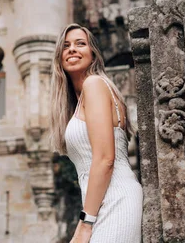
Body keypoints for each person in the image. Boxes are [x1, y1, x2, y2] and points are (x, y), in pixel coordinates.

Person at [50, 23, 142, 243]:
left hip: (115, 200)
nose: (72, 49)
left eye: (80, 44)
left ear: (93, 54)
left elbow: (105, 159)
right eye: (66, 46)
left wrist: (85, 223)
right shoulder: (83, 97)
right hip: (104, 202)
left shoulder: (94, 84)